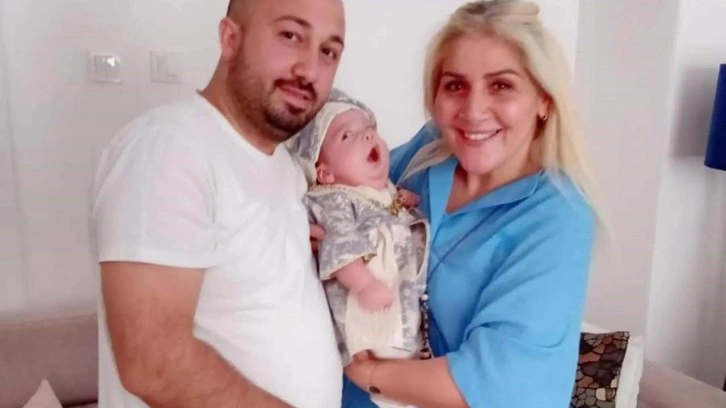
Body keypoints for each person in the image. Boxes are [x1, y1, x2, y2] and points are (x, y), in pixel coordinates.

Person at [342, 1, 599, 407]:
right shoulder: (429, 152)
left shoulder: (559, 217)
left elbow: (500, 384)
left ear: (544, 100)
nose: (473, 111)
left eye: (501, 86)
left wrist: (368, 374)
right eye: (455, 86)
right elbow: (352, 194)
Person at [90, 0, 346, 407]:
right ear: (230, 39)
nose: (310, 70)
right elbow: (152, 362)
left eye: (328, 51)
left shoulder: (286, 168)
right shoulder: (167, 149)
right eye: (291, 36)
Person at [287, 90, 430, 408]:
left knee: (407, 360)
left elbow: (388, 205)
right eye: (347, 135)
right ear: (324, 173)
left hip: (400, 308)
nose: (367, 135)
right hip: (367, 312)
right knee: (387, 355)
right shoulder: (334, 200)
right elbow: (340, 247)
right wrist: (364, 284)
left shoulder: (379, 190)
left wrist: (403, 198)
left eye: (369, 128)